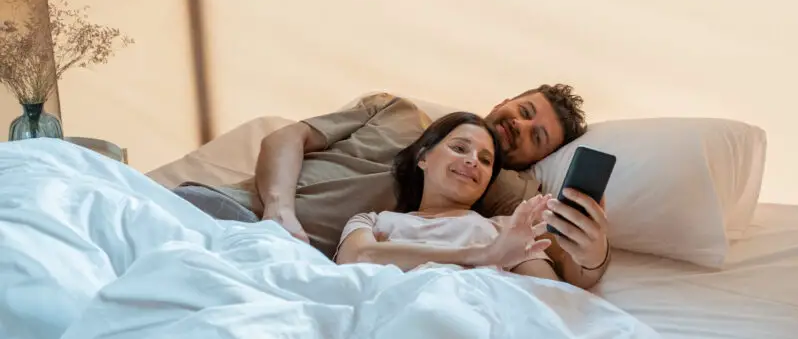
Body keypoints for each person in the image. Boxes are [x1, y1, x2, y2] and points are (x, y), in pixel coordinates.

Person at [173, 84, 611, 289]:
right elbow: (286, 137)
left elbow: (556, 268)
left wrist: (595, 255)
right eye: (524, 110)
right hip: (234, 212)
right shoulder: (396, 110)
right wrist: (278, 210)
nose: (520, 125)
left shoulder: (499, 193)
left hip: (293, 267)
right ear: (504, 101)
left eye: (537, 137)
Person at [335, 111, 562, 281]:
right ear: (423, 158)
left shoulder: (506, 230)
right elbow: (357, 258)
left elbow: (552, 302)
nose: (472, 161)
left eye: (485, 160)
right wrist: (483, 254)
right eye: (460, 148)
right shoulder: (373, 221)